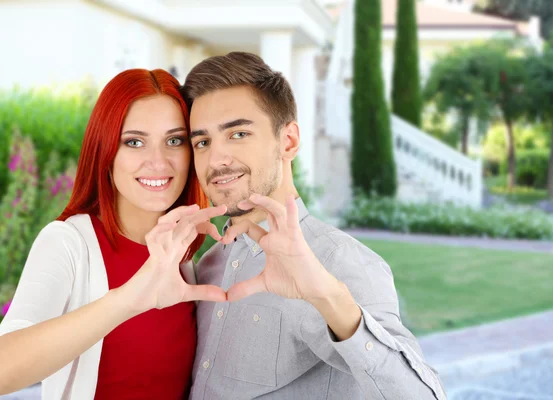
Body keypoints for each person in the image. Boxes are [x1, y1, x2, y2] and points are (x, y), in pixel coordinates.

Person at [182, 52, 447, 399]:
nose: (216, 159)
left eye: (239, 134)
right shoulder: (210, 264)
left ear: (288, 141)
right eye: (202, 142)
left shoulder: (340, 261)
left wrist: (326, 295)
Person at [0, 68, 227, 399]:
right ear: (106, 151)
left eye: (174, 140)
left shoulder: (184, 256)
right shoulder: (68, 243)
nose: (158, 162)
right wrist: (129, 298)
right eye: (134, 142)